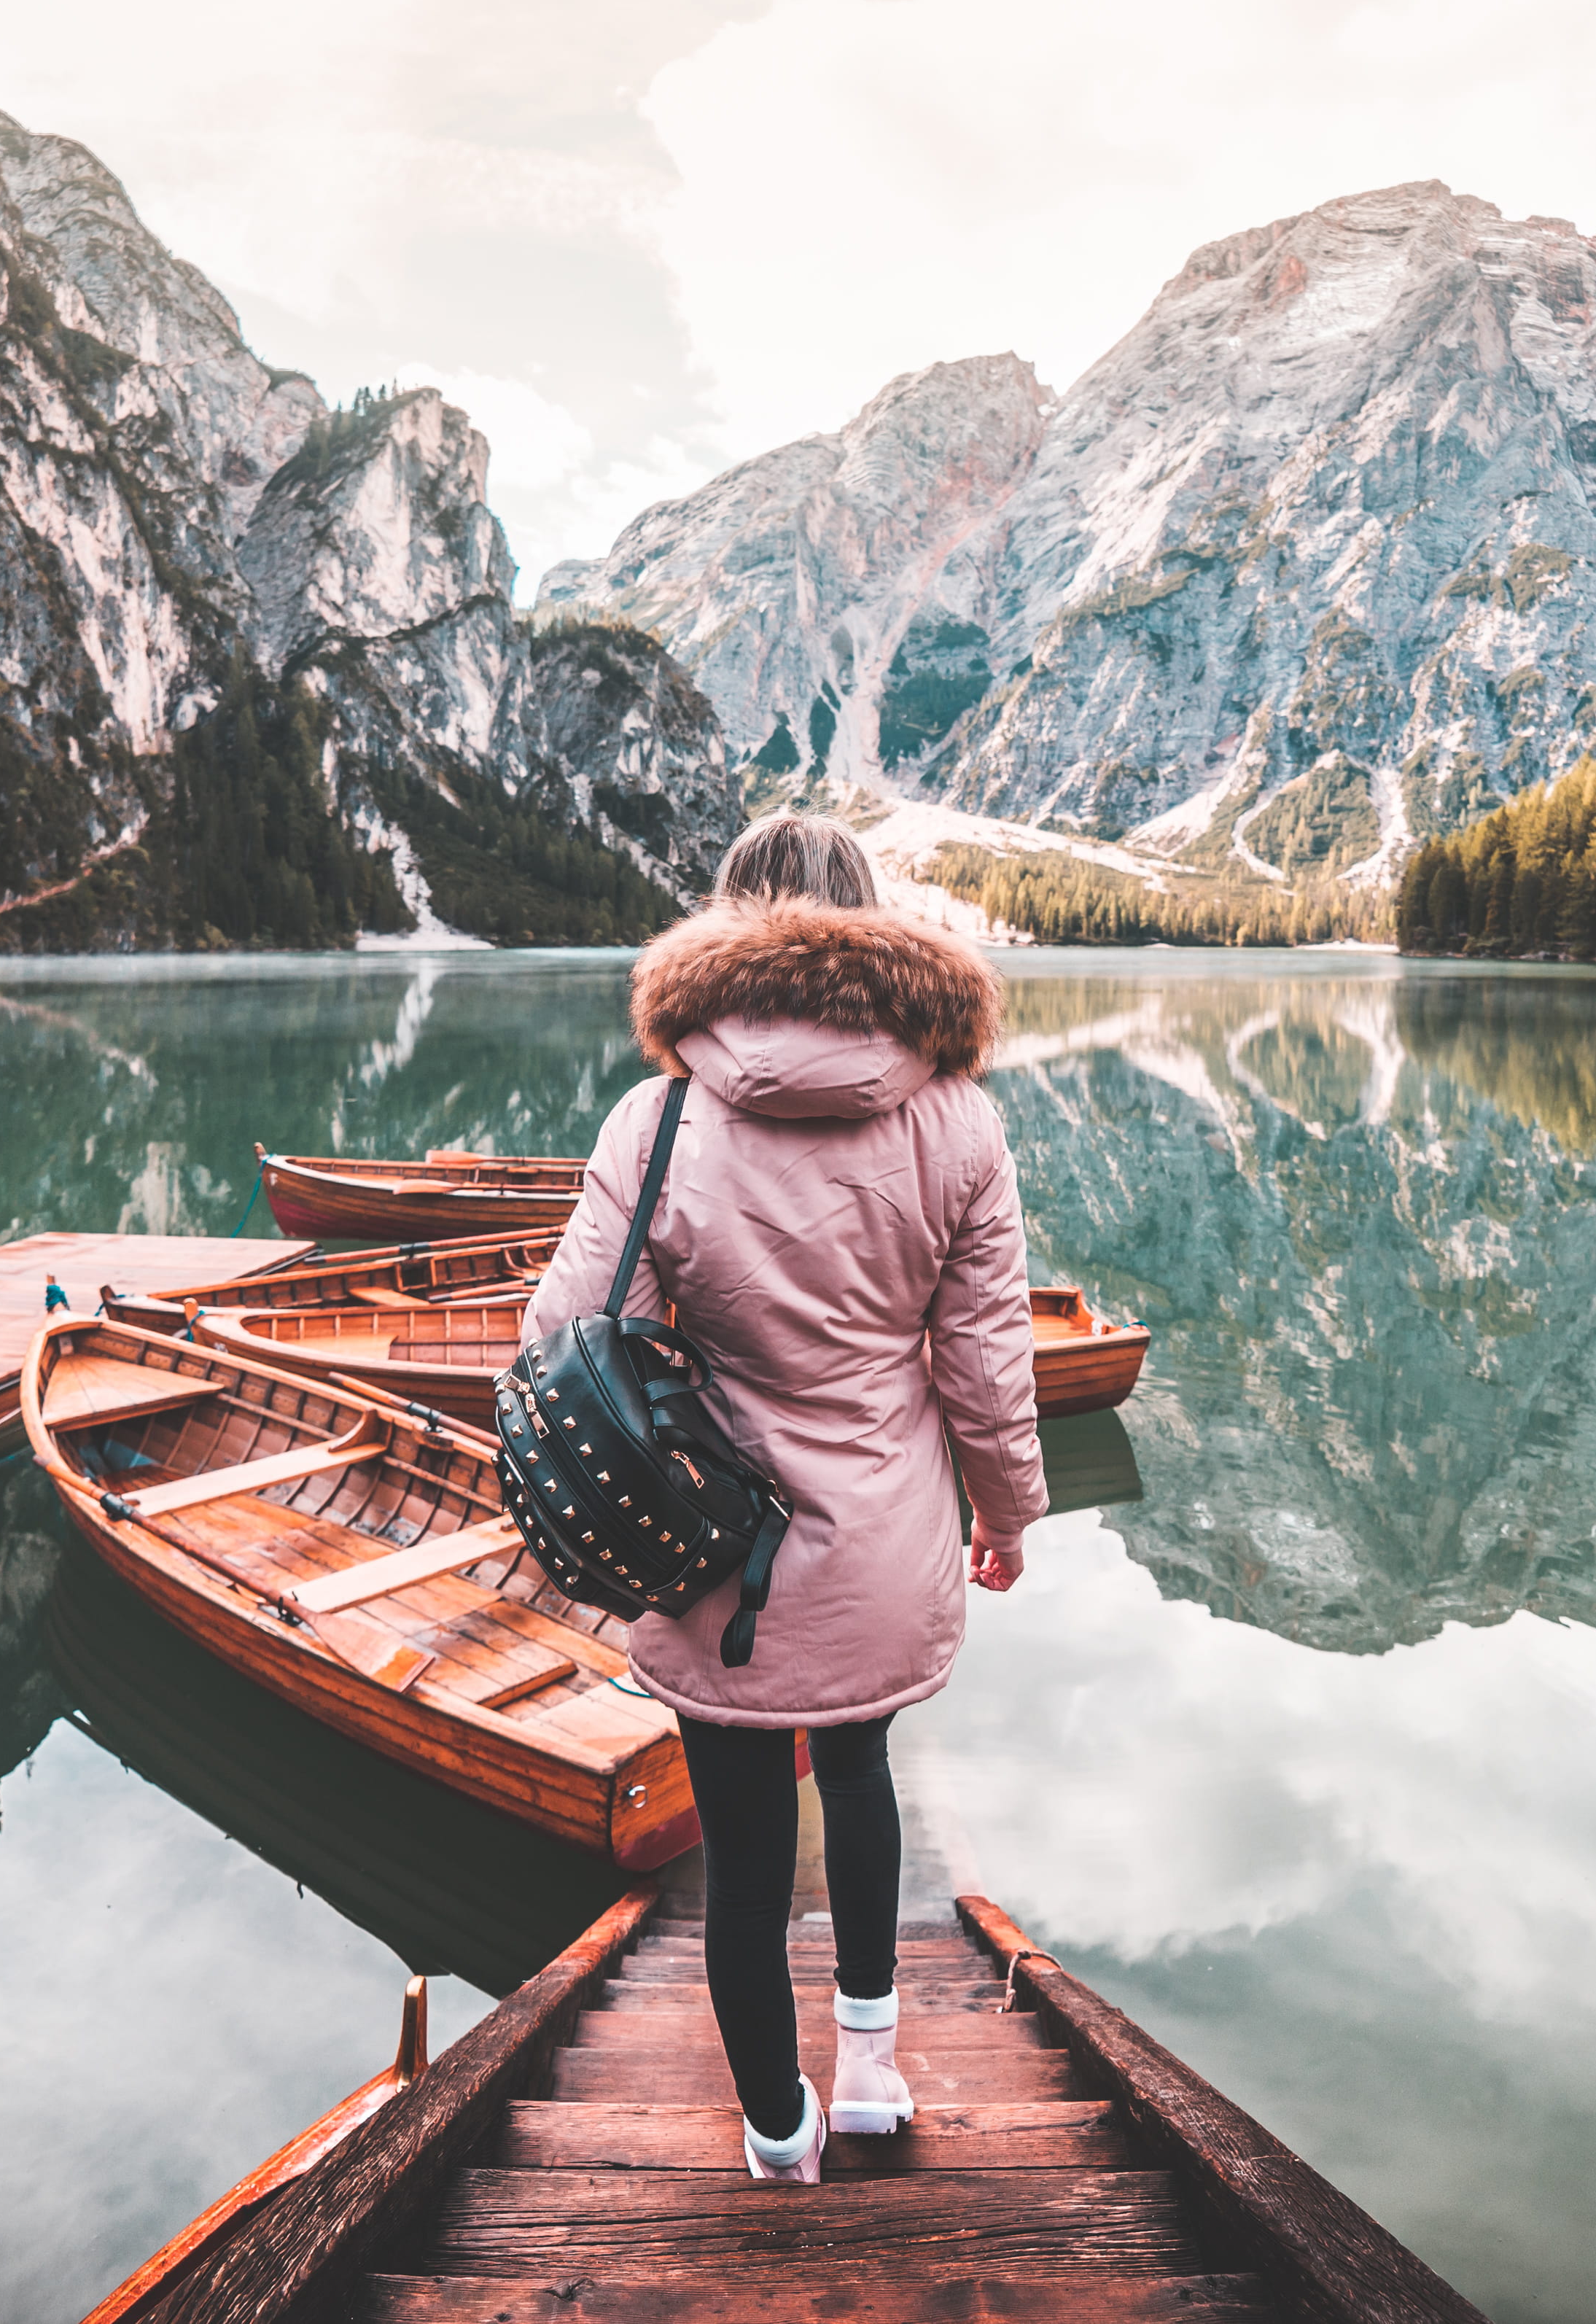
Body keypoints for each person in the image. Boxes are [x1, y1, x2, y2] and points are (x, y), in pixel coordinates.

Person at [521, 811, 1046, 2185]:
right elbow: (986, 1369)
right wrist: (1010, 1515)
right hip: (881, 1545)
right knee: (862, 1774)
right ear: (868, 927)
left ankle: (777, 2135)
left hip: (712, 1558)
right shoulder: (960, 1117)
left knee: (746, 1858)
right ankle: (871, 2072)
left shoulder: (662, 1114)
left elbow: (568, 1337)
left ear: (726, 929)